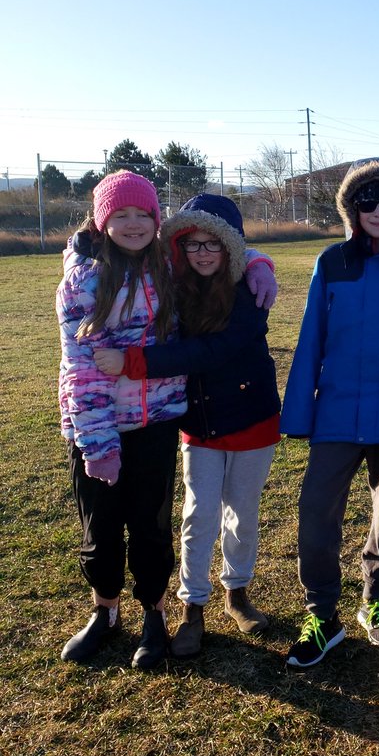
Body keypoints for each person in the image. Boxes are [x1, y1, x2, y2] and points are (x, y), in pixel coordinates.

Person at [57, 171, 277, 670]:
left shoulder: (165, 271)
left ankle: (155, 616)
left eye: (144, 214)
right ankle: (105, 613)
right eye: (121, 214)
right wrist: (98, 442)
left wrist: (258, 262)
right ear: (102, 220)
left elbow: (219, 250)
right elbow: (81, 369)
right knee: (101, 529)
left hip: (156, 422)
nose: (134, 223)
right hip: (98, 428)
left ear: (157, 222)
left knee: (152, 529)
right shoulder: (84, 279)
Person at [280, 158, 379, 668]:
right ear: (351, 209)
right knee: (316, 510)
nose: (378, 209)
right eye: (366, 201)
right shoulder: (332, 262)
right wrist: (299, 413)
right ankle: (322, 614)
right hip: (337, 412)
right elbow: (311, 339)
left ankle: (374, 600)